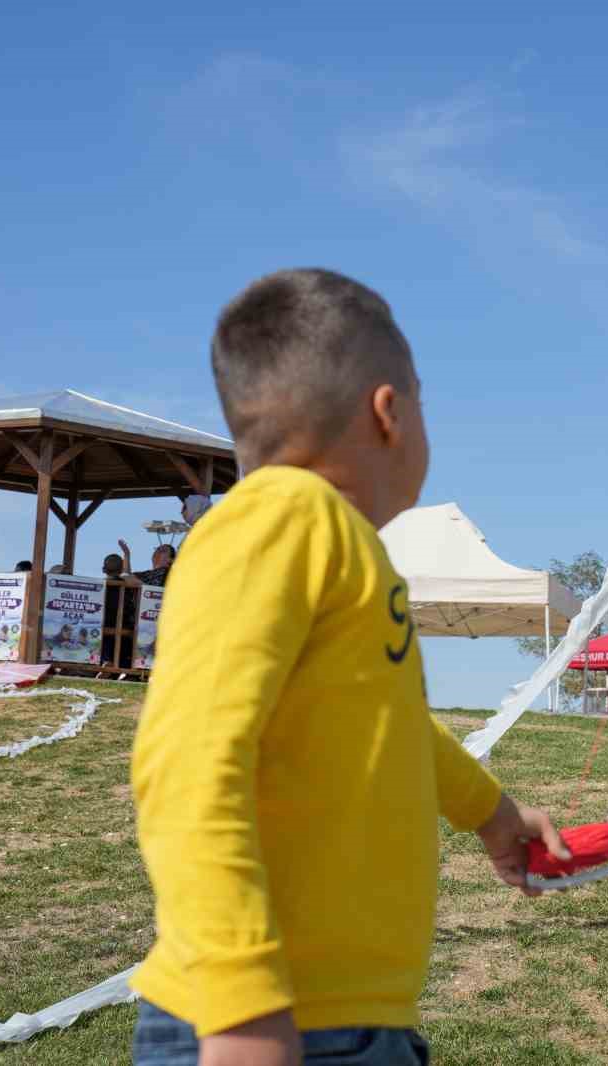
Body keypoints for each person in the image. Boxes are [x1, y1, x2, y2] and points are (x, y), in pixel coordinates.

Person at [130, 268, 569, 1066]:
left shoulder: (344, 546)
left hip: (346, 1020)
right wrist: (240, 1006)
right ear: (389, 413)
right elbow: (187, 760)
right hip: (273, 1020)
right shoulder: (281, 520)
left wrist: (493, 814)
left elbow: (394, 728)